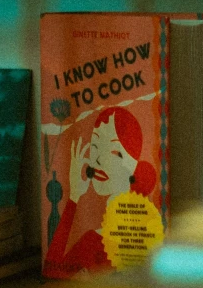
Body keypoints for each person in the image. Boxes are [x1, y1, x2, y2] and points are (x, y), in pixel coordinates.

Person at [49, 106, 157, 274]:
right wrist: (74, 196)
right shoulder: (92, 240)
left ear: (134, 166)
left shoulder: (146, 234)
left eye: (114, 152)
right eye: (95, 146)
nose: (98, 159)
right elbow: (52, 268)